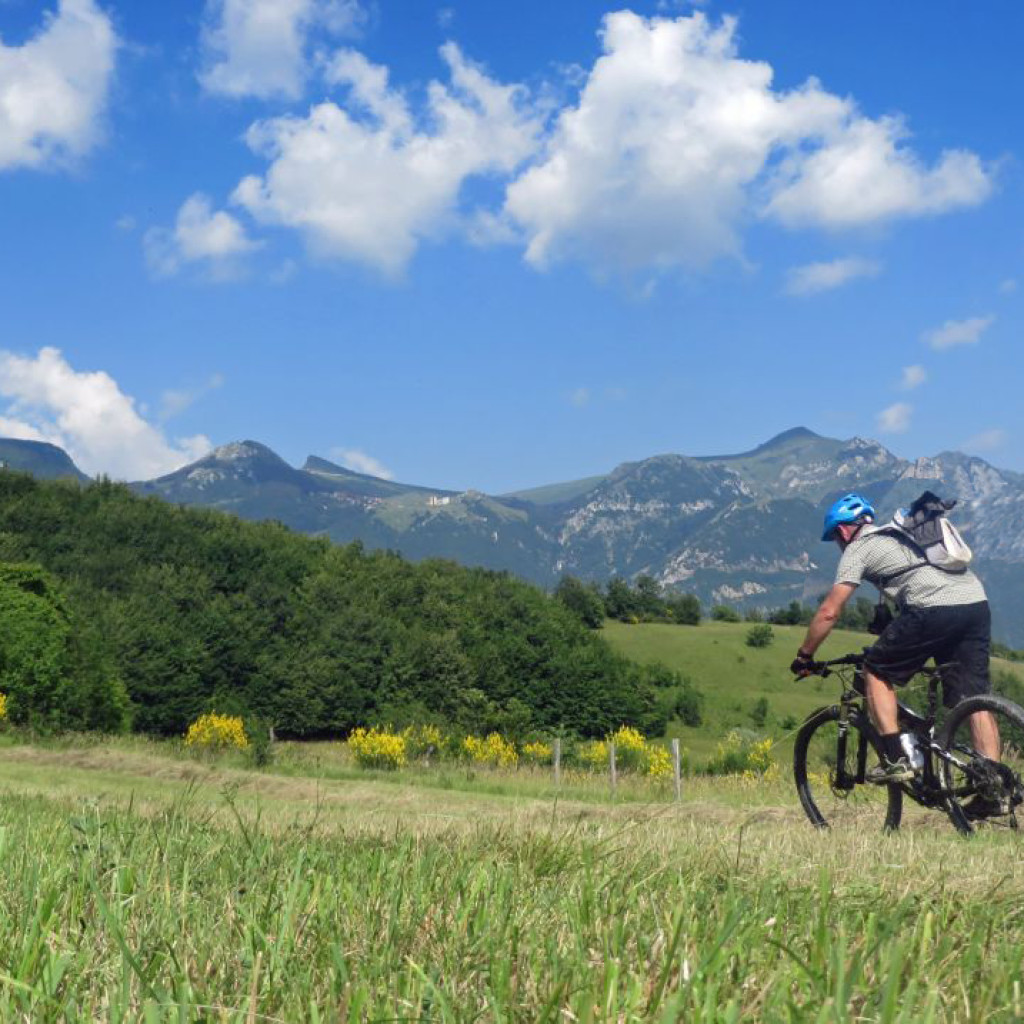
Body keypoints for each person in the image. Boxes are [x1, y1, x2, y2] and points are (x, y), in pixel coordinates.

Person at [791, 492, 1001, 811]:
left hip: (933, 608)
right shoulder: (900, 535)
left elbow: (829, 612)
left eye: (835, 537)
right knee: (971, 700)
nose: (837, 543)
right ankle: (993, 789)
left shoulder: (859, 548)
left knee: (875, 670)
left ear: (844, 530)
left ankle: (895, 758)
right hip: (975, 604)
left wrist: (804, 656)